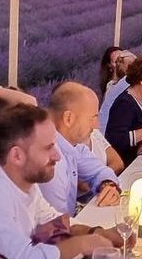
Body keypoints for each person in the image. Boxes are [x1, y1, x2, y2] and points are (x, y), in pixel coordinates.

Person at [0, 100, 122, 258]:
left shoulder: (21, 179)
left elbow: (53, 222)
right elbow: (24, 257)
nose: (57, 156)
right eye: (48, 148)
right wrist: (82, 244)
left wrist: (97, 233)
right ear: (17, 155)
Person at [40, 82, 121, 216]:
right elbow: (56, 223)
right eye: (93, 118)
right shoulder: (50, 159)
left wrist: (107, 185)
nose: (96, 126)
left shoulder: (73, 146)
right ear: (69, 119)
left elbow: (100, 171)